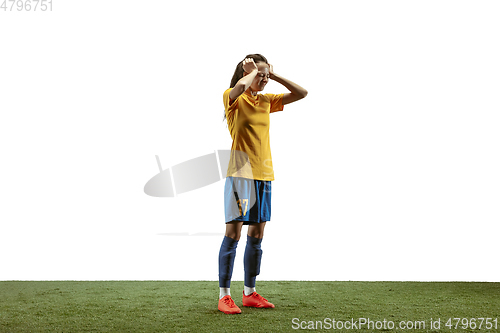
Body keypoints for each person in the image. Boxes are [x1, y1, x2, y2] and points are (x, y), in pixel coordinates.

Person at [218, 54, 308, 314]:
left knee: (256, 235)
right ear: (246, 73)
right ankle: (224, 296)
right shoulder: (233, 97)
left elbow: (301, 93)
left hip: (264, 175)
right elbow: (239, 87)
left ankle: (249, 293)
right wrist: (251, 72)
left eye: (266, 75)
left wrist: (272, 73)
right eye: (261, 75)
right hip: (240, 173)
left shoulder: (266, 101)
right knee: (233, 235)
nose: (265, 79)